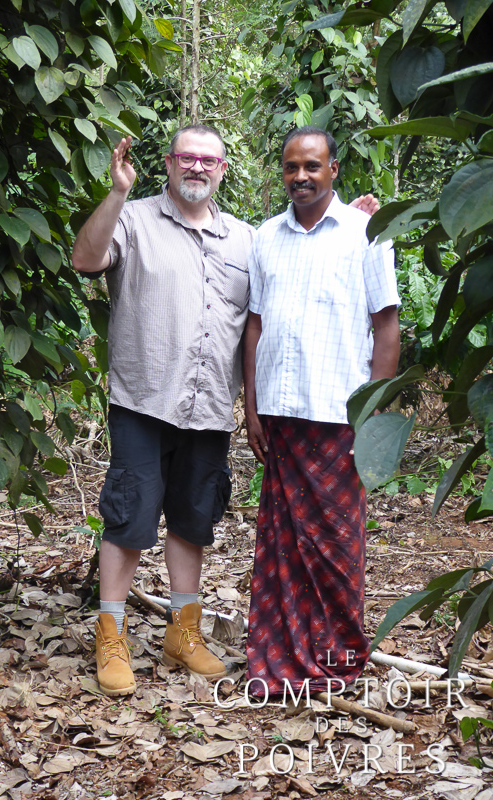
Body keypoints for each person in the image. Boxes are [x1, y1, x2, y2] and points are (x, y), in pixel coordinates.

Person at [71, 125, 254, 696]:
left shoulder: (245, 240)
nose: (197, 168)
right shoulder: (136, 218)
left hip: (209, 407)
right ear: (169, 165)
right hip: (144, 400)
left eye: (209, 160)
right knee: (128, 519)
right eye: (187, 158)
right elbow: (85, 258)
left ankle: (184, 631)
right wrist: (117, 192)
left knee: (193, 519)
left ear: (223, 169)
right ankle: (112, 635)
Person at [244, 126, 400, 695]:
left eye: (312, 166)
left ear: (333, 169)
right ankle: (278, 659)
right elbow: (255, 325)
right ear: (281, 173)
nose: (301, 177)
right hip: (282, 417)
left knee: (336, 546)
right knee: (283, 546)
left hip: (339, 416)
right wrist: (253, 407)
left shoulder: (366, 232)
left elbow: (386, 324)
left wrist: (375, 414)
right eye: (291, 167)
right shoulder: (265, 238)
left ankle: (335, 661)